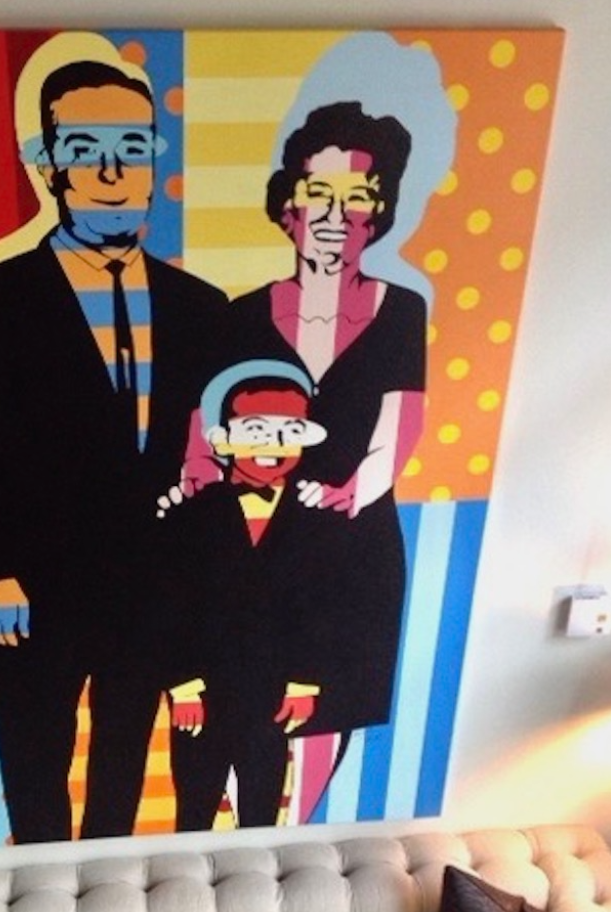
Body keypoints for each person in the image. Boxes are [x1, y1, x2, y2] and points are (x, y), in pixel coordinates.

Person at [0, 51, 227, 843]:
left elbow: (211, 451)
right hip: (33, 585)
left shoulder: (202, 307)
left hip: (153, 586)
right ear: (47, 162)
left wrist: (201, 586)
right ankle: (41, 883)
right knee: (34, 759)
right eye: (85, 148)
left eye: (130, 148)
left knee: (123, 759)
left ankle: (107, 884)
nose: (110, 171)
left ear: (154, 159)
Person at [219, 101, 426, 820]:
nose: (336, 215)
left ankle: (294, 837)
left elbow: (403, 420)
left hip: (354, 544)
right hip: (258, 541)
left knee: (327, 708)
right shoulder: (241, 313)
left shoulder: (402, 311)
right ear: (287, 206)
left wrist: (354, 491)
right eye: (319, 193)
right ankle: (238, 842)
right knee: (246, 701)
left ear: (378, 213)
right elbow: (217, 422)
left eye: (358, 197)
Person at [157, 361, 334, 831]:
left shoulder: (313, 519)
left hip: (272, 692)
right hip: (204, 692)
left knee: (261, 807)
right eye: (255, 432)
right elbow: (169, 606)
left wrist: (304, 682)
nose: (270, 448)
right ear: (225, 440)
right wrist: (183, 685)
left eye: (286, 434)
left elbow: (320, 608)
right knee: (194, 809)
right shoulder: (191, 517)